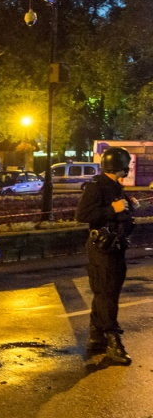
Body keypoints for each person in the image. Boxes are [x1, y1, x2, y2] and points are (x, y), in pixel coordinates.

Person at [75, 146, 138, 366]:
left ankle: (96, 336)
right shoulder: (97, 187)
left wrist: (128, 206)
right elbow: (82, 214)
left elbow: (118, 212)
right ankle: (113, 341)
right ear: (118, 165)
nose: (128, 168)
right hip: (102, 249)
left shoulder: (114, 187)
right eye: (126, 164)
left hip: (115, 248)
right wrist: (113, 209)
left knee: (106, 293)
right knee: (107, 295)